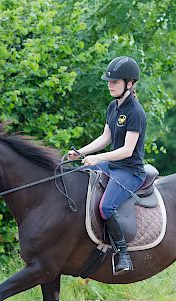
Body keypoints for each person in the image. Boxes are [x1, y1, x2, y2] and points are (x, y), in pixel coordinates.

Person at [68, 56, 147, 275]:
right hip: (113, 167)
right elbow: (105, 137)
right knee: (77, 175)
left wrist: (99, 159)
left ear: (129, 84)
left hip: (130, 171)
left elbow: (127, 150)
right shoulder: (113, 106)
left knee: (106, 207)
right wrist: (81, 152)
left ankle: (123, 254)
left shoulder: (136, 112)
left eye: (115, 82)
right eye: (109, 81)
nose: (110, 85)